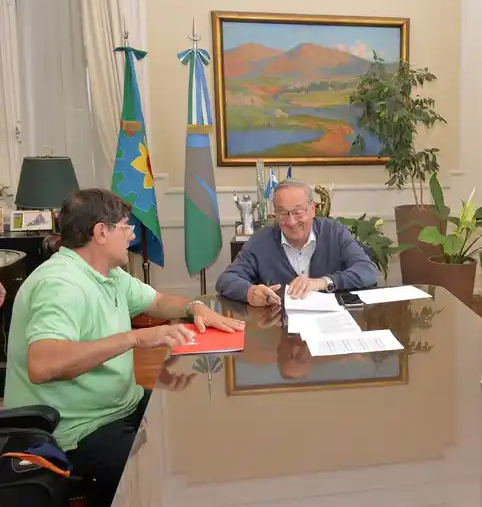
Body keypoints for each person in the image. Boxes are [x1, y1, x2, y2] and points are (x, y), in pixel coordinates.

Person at [2, 188, 245, 507]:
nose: (131, 235)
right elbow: (43, 365)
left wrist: (194, 307)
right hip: (75, 428)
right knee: (162, 473)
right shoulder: (60, 285)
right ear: (101, 232)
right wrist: (134, 338)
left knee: (194, 422)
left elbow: (158, 302)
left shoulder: (109, 274)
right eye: (126, 226)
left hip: (120, 403)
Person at [216, 178, 378, 306]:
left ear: (313, 209)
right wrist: (249, 292)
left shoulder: (334, 232)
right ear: (275, 214)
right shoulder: (260, 241)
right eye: (283, 213)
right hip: (279, 328)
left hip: (332, 324)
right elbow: (226, 279)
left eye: (298, 212)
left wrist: (323, 282)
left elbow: (367, 271)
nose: (292, 222)